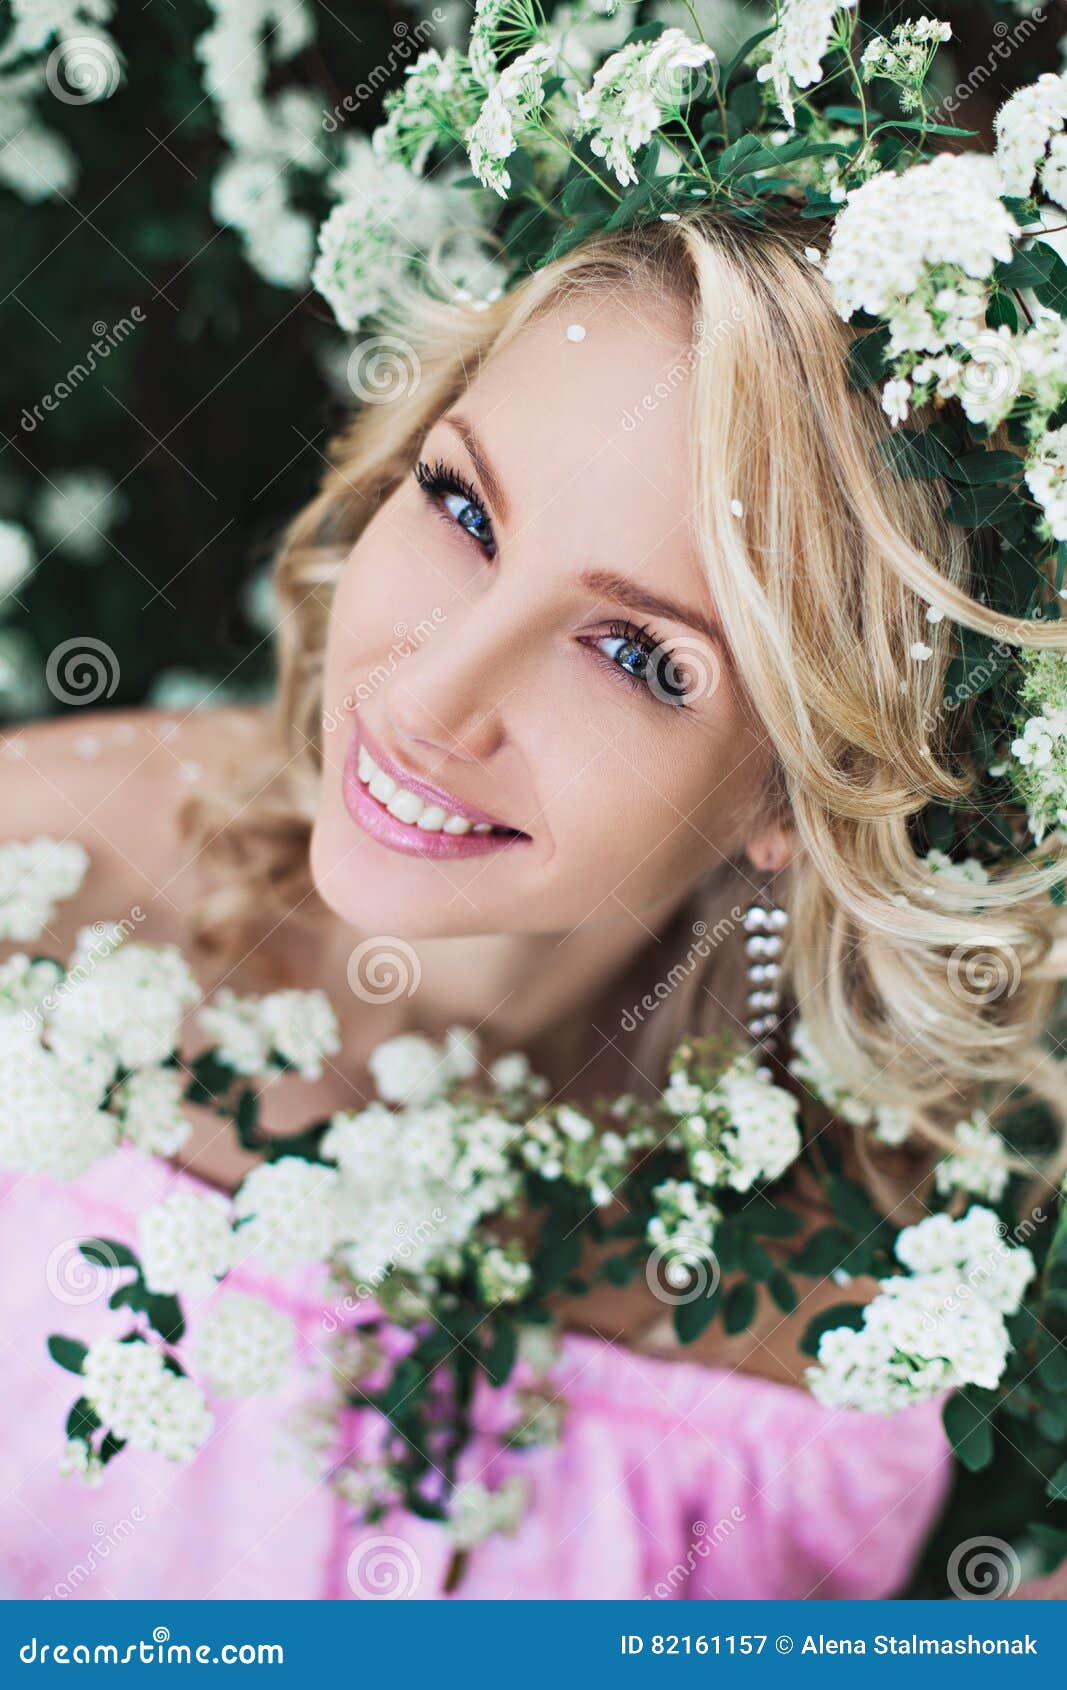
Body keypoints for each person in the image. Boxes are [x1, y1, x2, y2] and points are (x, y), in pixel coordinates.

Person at [1, 211, 1063, 1600]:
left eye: (635, 653)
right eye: (463, 508)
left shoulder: (838, 1315)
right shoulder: (42, 891)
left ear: (804, 796)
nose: (432, 696)